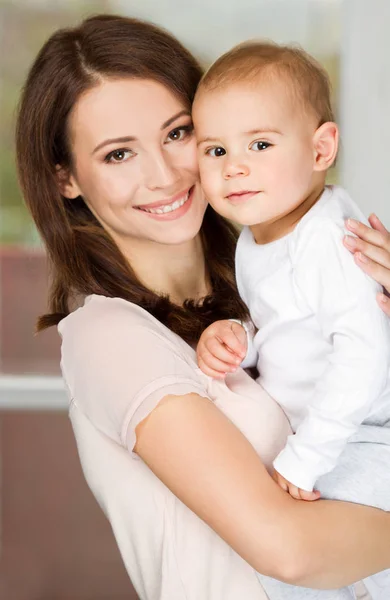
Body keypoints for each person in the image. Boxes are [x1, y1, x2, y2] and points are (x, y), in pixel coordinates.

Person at [14, 14, 390, 600]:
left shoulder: (268, 283)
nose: (163, 175)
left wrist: (375, 308)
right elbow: (286, 549)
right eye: (118, 155)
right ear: (66, 178)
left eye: (178, 133)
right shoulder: (108, 333)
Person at [193, 41, 390, 599]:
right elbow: (295, 326)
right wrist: (241, 342)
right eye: (214, 150)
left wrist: (307, 458)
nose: (235, 167)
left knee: (287, 556)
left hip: (369, 437)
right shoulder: (260, 238)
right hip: (340, 436)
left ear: (321, 147)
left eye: (259, 143)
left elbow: (364, 354)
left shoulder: (328, 239)